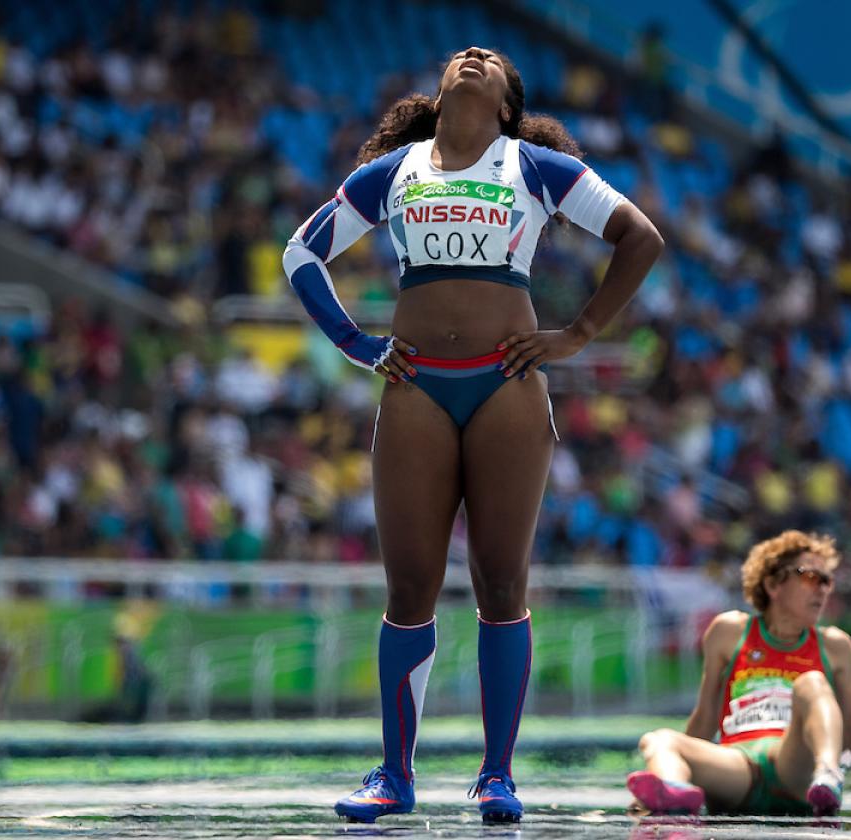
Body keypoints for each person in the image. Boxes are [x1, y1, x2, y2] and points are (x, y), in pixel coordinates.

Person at [282, 46, 663, 824]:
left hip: (508, 384)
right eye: (463, 55)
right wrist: (356, 344)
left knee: (500, 584)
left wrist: (580, 332)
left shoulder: (535, 166)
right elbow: (301, 254)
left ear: (506, 105)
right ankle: (394, 774)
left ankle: (497, 776)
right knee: (410, 587)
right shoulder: (392, 172)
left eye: (490, 61)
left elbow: (641, 238)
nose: (474, 57)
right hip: (415, 385)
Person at [628, 531, 851, 820]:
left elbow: (849, 728)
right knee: (658, 740)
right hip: (739, 766)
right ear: (772, 584)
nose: (823, 589)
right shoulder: (728, 631)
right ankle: (670, 793)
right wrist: (679, 768)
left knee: (812, 683)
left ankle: (828, 775)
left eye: (827, 580)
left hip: (796, 766)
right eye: (811, 576)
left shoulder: (835, 646)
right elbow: (706, 716)